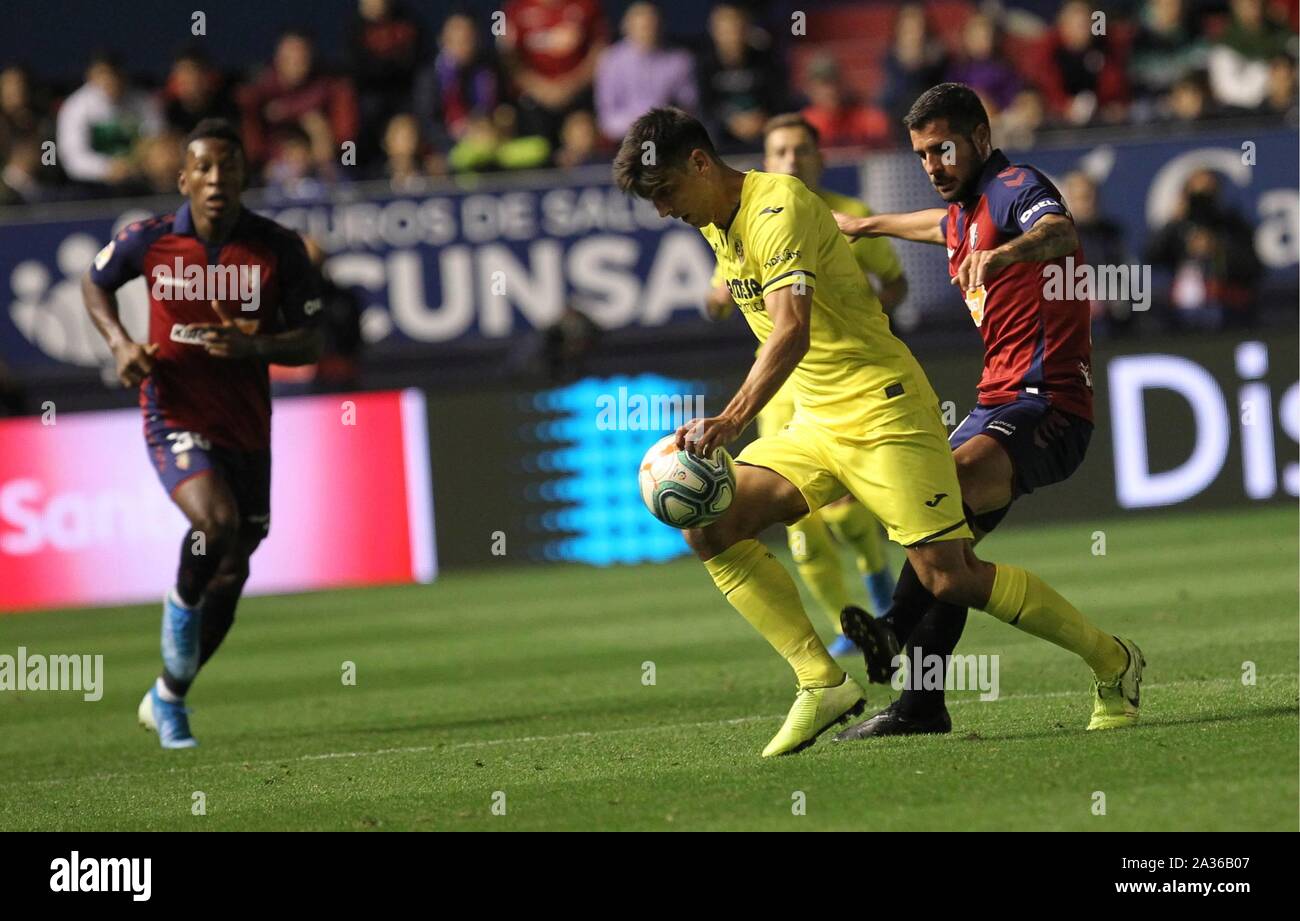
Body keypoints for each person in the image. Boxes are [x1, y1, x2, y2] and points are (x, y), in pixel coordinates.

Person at [613, 105, 1143, 756]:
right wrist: (864, 225)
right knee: (710, 525)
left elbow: (793, 328)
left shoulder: (777, 207)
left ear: (699, 162)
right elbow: (943, 226)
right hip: (816, 421)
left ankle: (1111, 659)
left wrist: (731, 418)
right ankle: (822, 681)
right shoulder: (717, 220)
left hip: (886, 409)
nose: (663, 209)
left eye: (663, 191)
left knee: (948, 574)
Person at [832, 83, 1142, 739]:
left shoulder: (1014, 186)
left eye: (941, 149)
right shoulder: (965, 209)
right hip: (996, 404)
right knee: (945, 551)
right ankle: (923, 703)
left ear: (979, 135)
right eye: (920, 155)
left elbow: (1058, 232)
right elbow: (936, 226)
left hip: (1049, 405)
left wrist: (1004, 253)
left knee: (937, 499)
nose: (932, 165)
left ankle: (890, 630)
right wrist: (864, 225)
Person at [81, 119, 323, 748]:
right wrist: (119, 343)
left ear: (245, 175)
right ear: (183, 177)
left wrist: (257, 344)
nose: (217, 180)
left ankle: (169, 695)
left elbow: (314, 337)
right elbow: (95, 280)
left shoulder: (277, 248)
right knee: (213, 524)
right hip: (174, 412)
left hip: (247, 425)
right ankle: (179, 605)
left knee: (235, 565)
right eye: (205, 169)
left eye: (229, 167)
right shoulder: (150, 240)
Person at [704, 112, 905, 655]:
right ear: (767, 163)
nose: (791, 161)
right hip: (780, 388)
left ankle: (876, 577)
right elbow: (718, 297)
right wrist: (717, 300)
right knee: (799, 525)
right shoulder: (741, 223)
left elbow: (896, 284)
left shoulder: (853, 217)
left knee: (841, 513)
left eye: (801, 151)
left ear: (819, 158)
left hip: (843, 377)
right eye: (780, 153)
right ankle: (845, 628)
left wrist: (859, 312)